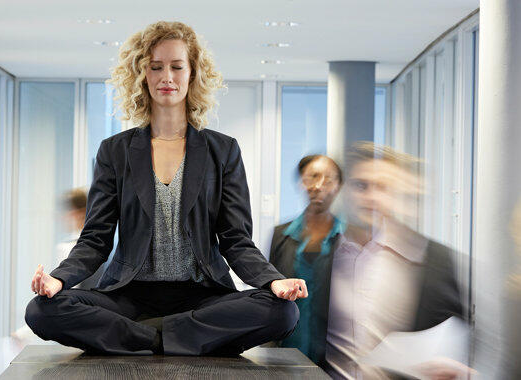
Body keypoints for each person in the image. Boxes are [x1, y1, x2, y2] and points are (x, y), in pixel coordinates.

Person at [25, 21, 307, 356]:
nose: (167, 77)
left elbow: (236, 239)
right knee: (41, 310)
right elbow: (95, 239)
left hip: (202, 297)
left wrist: (273, 281)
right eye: (155, 67)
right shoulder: (114, 151)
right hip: (130, 296)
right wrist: (58, 280)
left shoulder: (223, 150)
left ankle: (147, 337)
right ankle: (167, 339)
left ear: (193, 73)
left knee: (283, 311)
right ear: (142, 74)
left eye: (177, 66)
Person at [310, 142, 465, 379]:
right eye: (361, 186)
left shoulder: (427, 259)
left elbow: (468, 335)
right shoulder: (323, 254)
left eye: (382, 187)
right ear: (344, 190)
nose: (371, 197)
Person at [268, 154, 344, 359]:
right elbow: (269, 295)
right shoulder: (281, 235)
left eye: (328, 179)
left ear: (338, 186)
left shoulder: (349, 240)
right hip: (286, 355)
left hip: (334, 359)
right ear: (302, 182)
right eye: (312, 176)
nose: (319, 185)